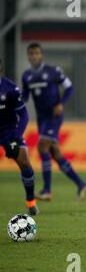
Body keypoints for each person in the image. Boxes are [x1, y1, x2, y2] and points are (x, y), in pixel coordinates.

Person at [22, 42, 86, 201]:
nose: (34, 56)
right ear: (28, 56)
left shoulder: (53, 71)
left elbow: (70, 88)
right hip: (42, 119)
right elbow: (25, 96)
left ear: (42, 55)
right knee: (55, 153)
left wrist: (61, 103)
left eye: (36, 53)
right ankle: (81, 184)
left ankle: (47, 190)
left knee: (42, 146)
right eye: (31, 54)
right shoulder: (26, 76)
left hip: (53, 116)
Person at [0, 59, 38, 215]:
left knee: (24, 161)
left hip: (9, 131)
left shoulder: (11, 89)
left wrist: (16, 136)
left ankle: (31, 202)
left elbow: (24, 115)